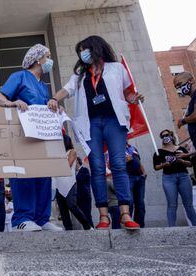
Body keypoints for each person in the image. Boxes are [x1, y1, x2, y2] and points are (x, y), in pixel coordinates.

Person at [48, 35, 142, 230]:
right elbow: (65, 90)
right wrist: (54, 99)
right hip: (91, 124)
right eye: (80, 51)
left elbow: (126, 92)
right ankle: (103, 217)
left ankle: (125, 214)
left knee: (118, 164)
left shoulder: (116, 68)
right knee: (97, 167)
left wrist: (134, 98)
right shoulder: (80, 75)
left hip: (114, 121)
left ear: (96, 48)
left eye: (85, 49)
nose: (83, 54)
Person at [0, 44, 62, 232]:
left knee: (43, 175)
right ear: (38, 59)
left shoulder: (43, 86)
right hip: (22, 136)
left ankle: (42, 218)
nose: (50, 60)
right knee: (24, 175)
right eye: (48, 56)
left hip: (41, 136)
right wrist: (11, 102)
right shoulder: (19, 76)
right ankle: (21, 219)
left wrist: (53, 106)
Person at [153, 129, 196, 227]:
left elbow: (190, 164)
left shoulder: (181, 149)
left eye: (167, 135)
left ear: (171, 136)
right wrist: (164, 164)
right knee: (172, 204)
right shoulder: (159, 152)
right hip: (168, 178)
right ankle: (172, 229)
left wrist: (182, 161)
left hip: (184, 177)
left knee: (188, 205)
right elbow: (156, 167)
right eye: (163, 136)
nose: (165, 137)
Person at [54, 135, 91, 230]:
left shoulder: (72, 152)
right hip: (59, 183)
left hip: (70, 183)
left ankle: (87, 225)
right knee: (63, 209)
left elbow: (68, 164)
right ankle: (68, 228)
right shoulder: (56, 154)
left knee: (72, 205)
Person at [174, 72, 196, 165]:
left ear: (191, 81)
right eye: (176, 87)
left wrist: (183, 120)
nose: (178, 88)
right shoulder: (193, 100)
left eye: (179, 84)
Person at [126, 143, 147, 228]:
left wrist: (144, 173)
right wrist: (124, 160)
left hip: (139, 177)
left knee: (140, 204)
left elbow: (139, 161)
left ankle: (140, 227)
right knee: (129, 203)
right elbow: (110, 164)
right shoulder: (116, 148)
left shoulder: (133, 148)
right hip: (128, 177)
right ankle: (128, 224)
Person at [75, 157, 93, 227]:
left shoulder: (84, 170)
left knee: (87, 214)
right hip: (76, 197)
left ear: (77, 162)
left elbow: (80, 179)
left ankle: (91, 228)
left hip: (84, 197)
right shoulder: (74, 172)